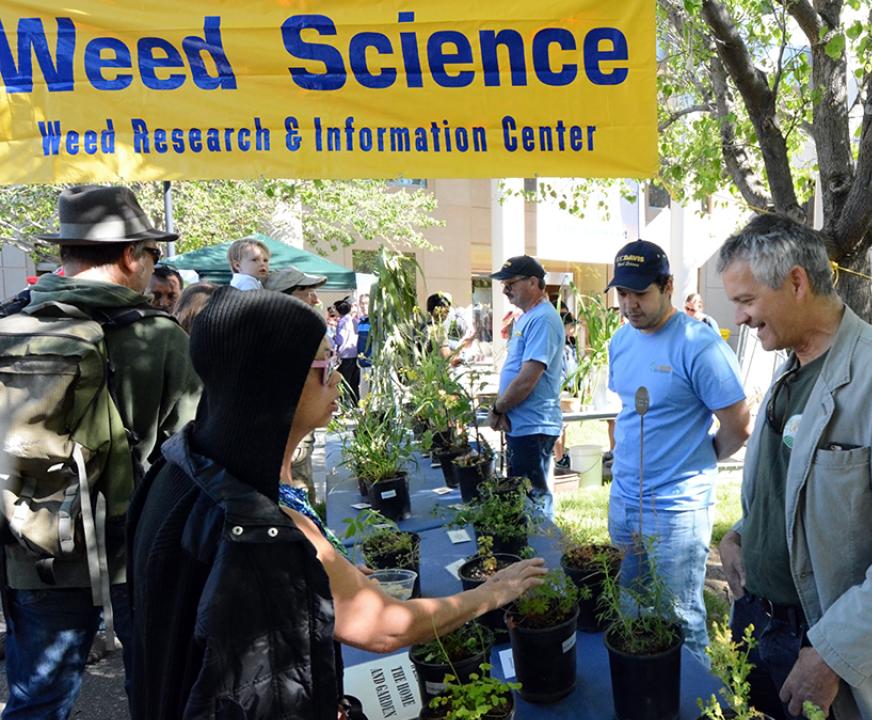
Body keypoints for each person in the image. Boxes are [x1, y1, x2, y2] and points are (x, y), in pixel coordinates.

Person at [127, 288, 546, 719]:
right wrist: (492, 592)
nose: (339, 379)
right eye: (326, 365)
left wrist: (317, 584)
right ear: (280, 382)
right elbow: (389, 628)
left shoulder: (179, 466)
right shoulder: (263, 525)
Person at [716, 214, 872, 720]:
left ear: (797, 281)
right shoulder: (790, 370)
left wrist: (832, 653)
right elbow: (795, 490)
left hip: (824, 646)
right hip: (758, 622)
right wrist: (743, 535)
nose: (739, 318)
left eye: (746, 300)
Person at [0, 185, 201, 720]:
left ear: (65, 253)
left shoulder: (11, 322)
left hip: (32, 538)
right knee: (156, 688)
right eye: (153, 254)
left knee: (36, 698)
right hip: (137, 546)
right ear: (133, 255)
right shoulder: (159, 336)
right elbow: (193, 446)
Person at [605, 240, 750, 662]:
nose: (630, 305)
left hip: (677, 507)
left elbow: (738, 427)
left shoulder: (699, 345)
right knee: (627, 606)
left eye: (640, 293)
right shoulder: (621, 341)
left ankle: (690, 702)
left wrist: (694, 461)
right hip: (624, 499)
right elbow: (630, 412)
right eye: (623, 294)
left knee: (680, 618)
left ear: (667, 287)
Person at [488, 255, 564, 518]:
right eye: (503, 285)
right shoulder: (528, 317)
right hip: (524, 425)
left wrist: (498, 408)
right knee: (525, 498)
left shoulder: (543, 319)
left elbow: (527, 378)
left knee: (533, 501)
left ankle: (542, 556)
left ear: (533, 282)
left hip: (534, 426)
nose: (506, 289)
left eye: (511, 283)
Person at [264, 268, 329, 499]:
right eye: (308, 292)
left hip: (299, 426)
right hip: (289, 426)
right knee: (296, 489)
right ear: (284, 295)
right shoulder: (282, 333)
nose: (316, 299)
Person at [334, 298, 361, 405]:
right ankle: (356, 403)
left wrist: (333, 338)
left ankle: (346, 405)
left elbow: (340, 339)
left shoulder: (342, 322)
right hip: (355, 353)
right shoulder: (353, 320)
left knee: (344, 382)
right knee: (354, 382)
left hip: (345, 355)